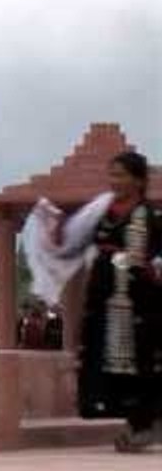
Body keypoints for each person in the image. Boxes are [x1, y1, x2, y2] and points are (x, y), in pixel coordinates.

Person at [27, 151, 161, 452]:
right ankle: (135, 424)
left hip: (138, 300)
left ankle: (143, 423)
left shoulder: (144, 215)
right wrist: (54, 226)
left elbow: (143, 257)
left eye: (121, 175)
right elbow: (73, 240)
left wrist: (117, 258)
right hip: (105, 296)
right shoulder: (103, 210)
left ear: (138, 180)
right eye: (111, 174)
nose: (114, 181)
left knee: (139, 362)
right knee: (105, 358)